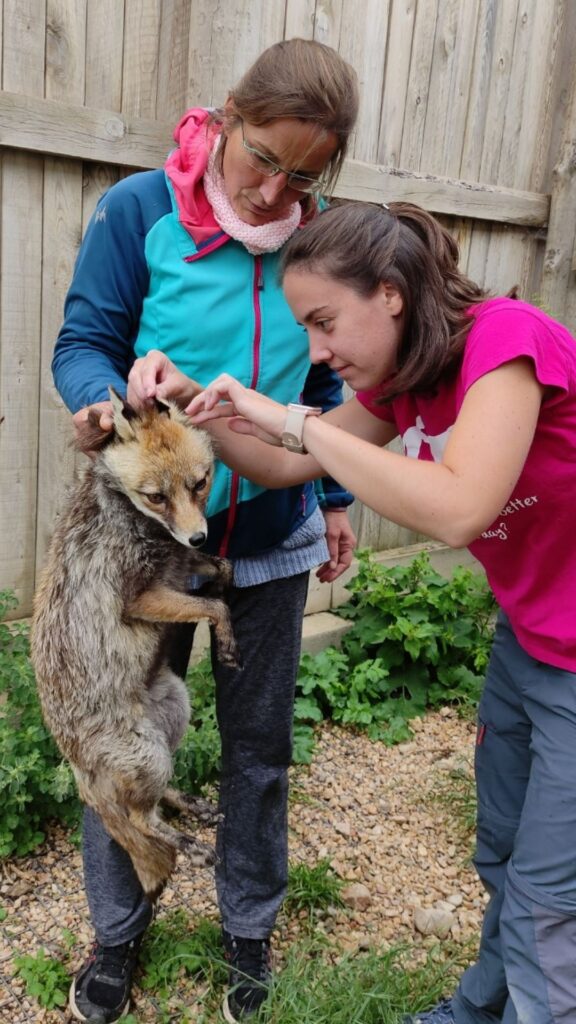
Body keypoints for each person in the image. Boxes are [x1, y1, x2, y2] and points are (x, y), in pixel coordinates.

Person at [174, 199, 576, 1024]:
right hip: (531, 641)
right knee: (502, 853)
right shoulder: (409, 381)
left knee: (549, 898)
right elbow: (291, 469)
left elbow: (461, 507)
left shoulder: (507, 340)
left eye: (324, 322)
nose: (316, 351)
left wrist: (293, 421)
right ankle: (478, 1010)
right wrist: (215, 412)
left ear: (390, 291)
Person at [52, 39, 359, 1024]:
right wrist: (103, 402)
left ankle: (248, 923)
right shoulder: (140, 209)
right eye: (264, 157)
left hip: (269, 533)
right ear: (227, 116)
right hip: (148, 545)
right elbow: (84, 341)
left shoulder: (326, 239)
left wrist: (341, 500)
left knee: (259, 743)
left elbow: (326, 374)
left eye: (305, 175)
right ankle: (119, 925)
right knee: (120, 730)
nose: (276, 194)